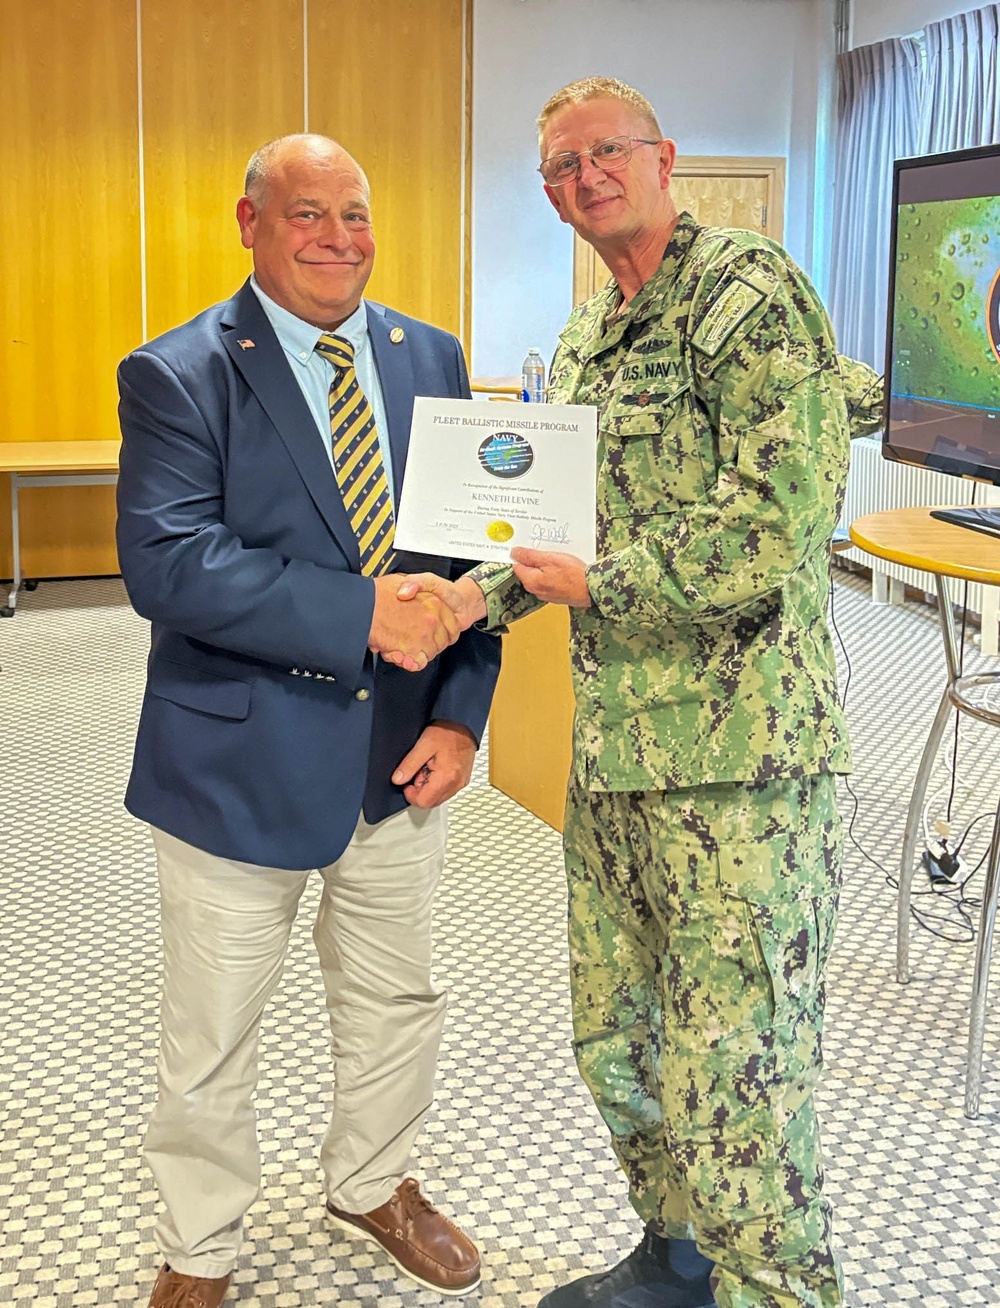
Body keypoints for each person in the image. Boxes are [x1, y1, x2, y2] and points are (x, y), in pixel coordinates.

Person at [408, 78, 884, 1308]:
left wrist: (600, 583)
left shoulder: (747, 293)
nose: (584, 179)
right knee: (619, 1047)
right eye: (559, 168)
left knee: (740, 1075)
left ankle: (773, 1290)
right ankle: (679, 1260)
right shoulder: (585, 337)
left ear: (663, 158)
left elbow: (776, 524)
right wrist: (468, 600)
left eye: (604, 153)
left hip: (741, 768)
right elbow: (555, 525)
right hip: (615, 758)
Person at [116, 133, 500, 1308]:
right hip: (238, 759)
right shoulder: (180, 371)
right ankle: (199, 1247)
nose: (339, 238)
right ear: (251, 223)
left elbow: (470, 555)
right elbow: (170, 564)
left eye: (356, 213)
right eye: (308, 213)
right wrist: (358, 613)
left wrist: (463, 715)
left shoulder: (430, 356)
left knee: (397, 998)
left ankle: (375, 1182)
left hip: (402, 757)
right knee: (214, 1027)